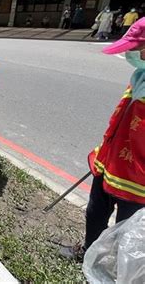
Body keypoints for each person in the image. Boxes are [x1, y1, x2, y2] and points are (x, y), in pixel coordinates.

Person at [61, 17, 145, 261]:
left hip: (136, 178)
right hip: (110, 162)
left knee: (126, 232)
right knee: (96, 212)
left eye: (132, 48)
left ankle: (113, 271)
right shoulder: (139, 76)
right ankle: (89, 253)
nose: (128, 54)